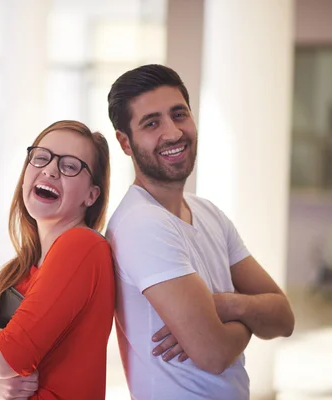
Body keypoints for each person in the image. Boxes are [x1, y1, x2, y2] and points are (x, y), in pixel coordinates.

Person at [105, 64, 295, 399]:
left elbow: (284, 317)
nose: (173, 132)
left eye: (179, 114)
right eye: (152, 123)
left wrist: (224, 306)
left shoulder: (208, 213)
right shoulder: (141, 223)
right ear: (125, 142)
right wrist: (250, 313)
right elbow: (215, 354)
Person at [0, 120, 115, 400]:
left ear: (91, 195)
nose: (50, 169)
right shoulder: (25, 265)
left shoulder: (82, 246)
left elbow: (3, 358)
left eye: (70, 166)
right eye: (41, 157)